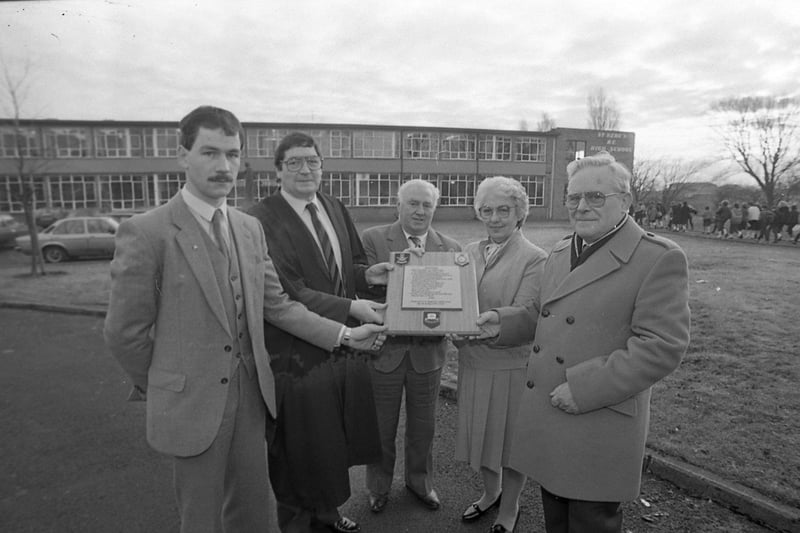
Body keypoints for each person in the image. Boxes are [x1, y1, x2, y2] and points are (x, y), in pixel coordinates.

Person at [103, 106, 386, 533]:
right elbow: (125, 333)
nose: (223, 166)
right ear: (183, 155)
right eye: (210, 152)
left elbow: (279, 305)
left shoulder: (246, 228)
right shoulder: (147, 232)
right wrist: (167, 382)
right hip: (193, 404)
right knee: (201, 518)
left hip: (254, 399)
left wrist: (345, 334)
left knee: (253, 513)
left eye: (232, 154)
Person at [505, 152, 691, 533]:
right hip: (551, 410)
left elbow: (661, 346)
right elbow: (541, 315)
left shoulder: (657, 257)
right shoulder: (561, 251)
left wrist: (585, 388)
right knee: (555, 516)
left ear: (625, 201)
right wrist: (495, 324)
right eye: (573, 198)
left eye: (595, 197)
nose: (581, 206)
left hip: (598, 415)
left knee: (591, 524)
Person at [247, 132, 390, 533]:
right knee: (297, 450)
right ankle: (298, 523)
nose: (305, 169)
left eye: (312, 161)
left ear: (322, 166)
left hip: (339, 350)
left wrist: (370, 276)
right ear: (277, 170)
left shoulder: (333, 206)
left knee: (330, 444)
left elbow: (352, 265)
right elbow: (288, 290)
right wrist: (351, 309)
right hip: (295, 356)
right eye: (294, 162)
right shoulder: (261, 219)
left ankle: (325, 515)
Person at [360, 179, 461, 514]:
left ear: (435, 208)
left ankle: (420, 483)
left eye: (426, 205)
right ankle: (378, 487)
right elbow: (360, 285)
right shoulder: (373, 239)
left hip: (427, 354)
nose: (420, 211)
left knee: (423, 428)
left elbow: (455, 304)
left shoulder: (449, 248)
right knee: (379, 426)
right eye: (413, 204)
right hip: (384, 352)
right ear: (398, 206)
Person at [454, 176, 547, 533]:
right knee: (481, 439)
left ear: (520, 213)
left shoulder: (535, 258)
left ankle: (509, 508)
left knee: (510, 446)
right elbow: (449, 297)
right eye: (487, 210)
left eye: (503, 210)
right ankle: (490, 493)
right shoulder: (468, 252)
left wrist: (489, 322)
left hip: (510, 367)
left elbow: (527, 313)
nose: (494, 218)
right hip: (473, 363)